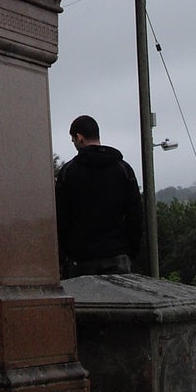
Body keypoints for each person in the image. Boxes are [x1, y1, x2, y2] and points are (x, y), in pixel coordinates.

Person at [55, 114, 144, 277]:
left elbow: (61, 219)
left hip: (80, 258)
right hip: (117, 255)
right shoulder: (123, 169)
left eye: (73, 140)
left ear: (79, 137)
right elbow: (135, 216)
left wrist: (66, 254)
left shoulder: (68, 172)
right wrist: (130, 252)